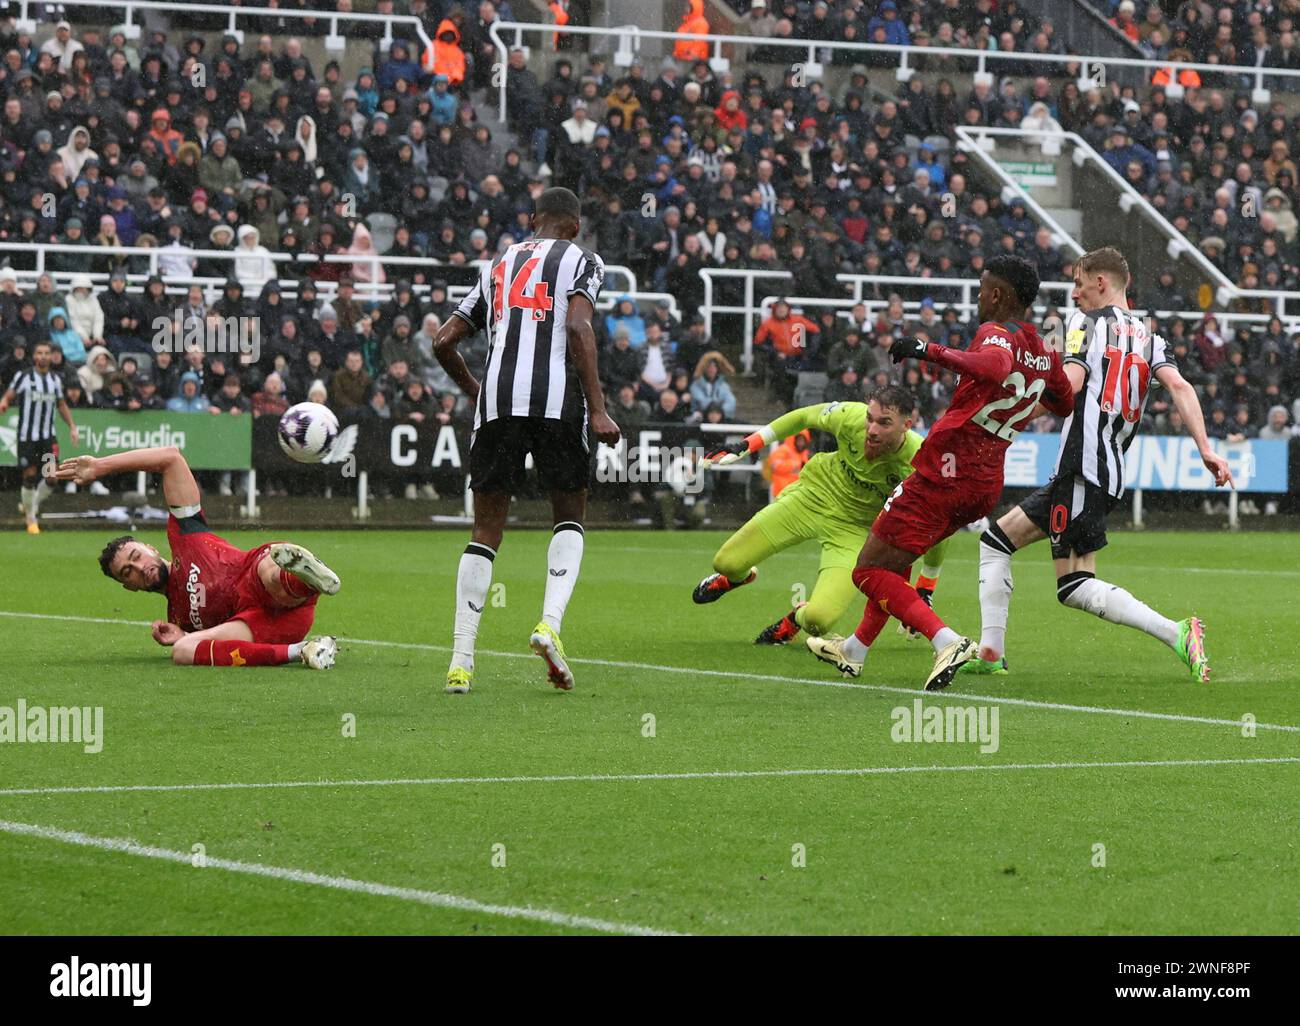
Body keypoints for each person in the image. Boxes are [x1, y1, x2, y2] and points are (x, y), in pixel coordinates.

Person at [806, 255, 1075, 690]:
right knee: (898, 558)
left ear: (998, 294)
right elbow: (1064, 402)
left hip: (946, 473)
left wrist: (927, 350)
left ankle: (946, 641)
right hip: (983, 484)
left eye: (982, 289)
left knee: (868, 570)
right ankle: (854, 650)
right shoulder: (1045, 351)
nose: (978, 298)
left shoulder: (996, 334)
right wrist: (1015, 415)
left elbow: (995, 367)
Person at [971, 248, 1234, 682]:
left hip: (1082, 468)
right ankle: (990, 653)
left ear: (1100, 283)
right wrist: (1206, 448)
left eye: (1078, 283)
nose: (1073, 294)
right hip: (1103, 472)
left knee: (1073, 585)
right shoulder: (1151, 337)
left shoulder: (1084, 324)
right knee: (997, 541)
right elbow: (1181, 387)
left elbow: (1069, 386)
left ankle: (1177, 632)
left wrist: (1008, 412)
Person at [432, 187, 620, 694]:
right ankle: (548, 624)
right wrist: (599, 409)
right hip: (558, 404)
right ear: (575, 227)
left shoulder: (498, 264)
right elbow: (579, 326)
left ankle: (460, 661)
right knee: (568, 516)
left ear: (533, 219)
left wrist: (477, 390)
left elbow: (443, 340)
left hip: (497, 406)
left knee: (485, 530)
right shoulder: (583, 260)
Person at [693, 386, 948, 647]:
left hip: (854, 531)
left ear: (907, 425)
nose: (871, 429)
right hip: (811, 497)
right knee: (726, 563)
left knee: (818, 621)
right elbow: (803, 417)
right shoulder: (850, 416)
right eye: (870, 419)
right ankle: (737, 577)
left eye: (884, 423)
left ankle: (795, 618)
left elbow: (939, 522)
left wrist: (926, 585)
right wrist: (748, 444)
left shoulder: (921, 460)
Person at [56, 445, 339, 669]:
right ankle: (304, 650)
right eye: (127, 572)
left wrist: (100, 466)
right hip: (266, 625)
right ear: (129, 586)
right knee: (183, 651)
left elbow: (169, 457)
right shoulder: (177, 618)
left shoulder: (184, 532)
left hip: (260, 578)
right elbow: (213, 641)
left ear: (151, 549)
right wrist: (183, 636)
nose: (139, 568)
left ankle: (305, 578)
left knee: (270, 568)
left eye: (136, 556)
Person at [0, 341, 80, 534]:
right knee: (29, 477)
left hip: (47, 438)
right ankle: (30, 519)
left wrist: (72, 426)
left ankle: (30, 505)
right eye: (39, 353)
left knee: (52, 477)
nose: (43, 356)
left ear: (51, 356)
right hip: (27, 437)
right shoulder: (24, 377)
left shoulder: (54, 379)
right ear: (34, 356)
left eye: (46, 353)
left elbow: (61, 404)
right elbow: (9, 396)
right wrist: (3, 402)